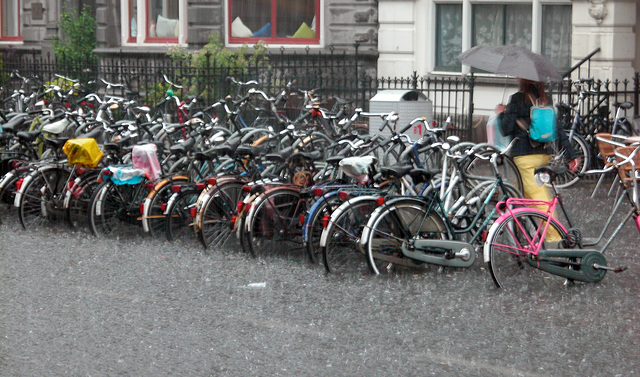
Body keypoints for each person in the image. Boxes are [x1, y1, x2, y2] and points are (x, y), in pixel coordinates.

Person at [495, 78, 580, 241]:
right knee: (517, 194)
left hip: (524, 157)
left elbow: (506, 129)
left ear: (523, 80)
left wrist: (501, 114)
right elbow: (558, 128)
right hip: (543, 154)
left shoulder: (517, 98)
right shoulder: (545, 97)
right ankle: (519, 235)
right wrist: (571, 155)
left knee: (539, 198)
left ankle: (554, 238)